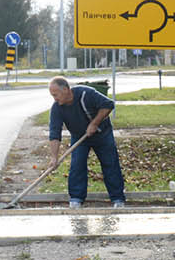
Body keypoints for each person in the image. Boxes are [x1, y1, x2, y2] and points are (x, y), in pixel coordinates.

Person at [47, 76, 127, 208]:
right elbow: (54, 133)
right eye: (52, 95)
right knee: (77, 165)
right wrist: (54, 157)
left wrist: (94, 123)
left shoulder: (86, 94)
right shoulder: (57, 108)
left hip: (102, 135)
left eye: (56, 95)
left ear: (66, 90)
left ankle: (118, 199)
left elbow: (108, 105)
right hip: (79, 137)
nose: (55, 98)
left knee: (110, 164)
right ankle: (76, 199)